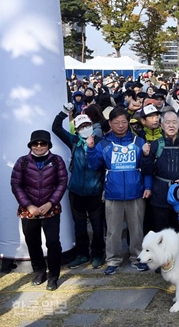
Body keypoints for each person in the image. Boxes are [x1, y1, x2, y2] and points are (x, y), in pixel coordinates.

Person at [87, 106, 152, 275]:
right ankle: (113, 260)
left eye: (124, 122)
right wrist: (91, 149)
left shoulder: (138, 142)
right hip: (112, 193)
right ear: (110, 123)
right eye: (117, 123)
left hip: (136, 192)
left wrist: (148, 186)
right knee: (113, 230)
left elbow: (146, 167)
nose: (121, 126)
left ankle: (137, 257)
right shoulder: (105, 143)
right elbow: (93, 166)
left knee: (137, 229)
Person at [10, 130, 68, 291]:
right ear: (31, 145)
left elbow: (62, 182)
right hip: (29, 211)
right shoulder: (22, 162)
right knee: (33, 242)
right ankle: (39, 272)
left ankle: (53, 276)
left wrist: (50, 203)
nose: (39, 146)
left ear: (48, 145)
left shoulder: (57, 161)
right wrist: (29, 206)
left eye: (43, 143)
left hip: (51, 209)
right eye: (35, 143)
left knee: (53, 243)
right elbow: (16, 185)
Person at [52, 106, 105, 270]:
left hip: (95, 192)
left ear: (91, 125)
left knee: (97, 227)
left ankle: (98, 254)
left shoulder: (101, 143)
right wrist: (63, 112)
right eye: (81, 127)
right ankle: (82, 254)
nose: (84, 129)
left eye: (87, 126)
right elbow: (56, 128)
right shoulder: (74, 141)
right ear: (76, 129)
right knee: (80, 226)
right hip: (75, 192)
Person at [141, 110, 179, 232]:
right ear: (162, 125)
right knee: (162, 233)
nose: (171, 126)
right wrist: (146, 156)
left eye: (174, 122)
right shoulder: (156, 145)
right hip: (160, 196)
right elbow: (148, 171)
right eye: (167, 122)